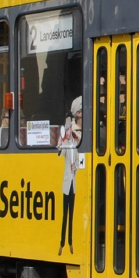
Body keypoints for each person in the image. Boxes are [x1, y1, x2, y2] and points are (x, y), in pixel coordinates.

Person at [57, 96, 81, 255]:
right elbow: (60, 153)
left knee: (72, 214)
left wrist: (76, 166)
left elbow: (80, 161)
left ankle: (71, 242)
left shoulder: (83, 133)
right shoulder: (70, 134)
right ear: (79, 112)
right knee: (65, 214)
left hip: (74, 182)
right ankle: (62, 243)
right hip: (67, 183)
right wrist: (66, 138)